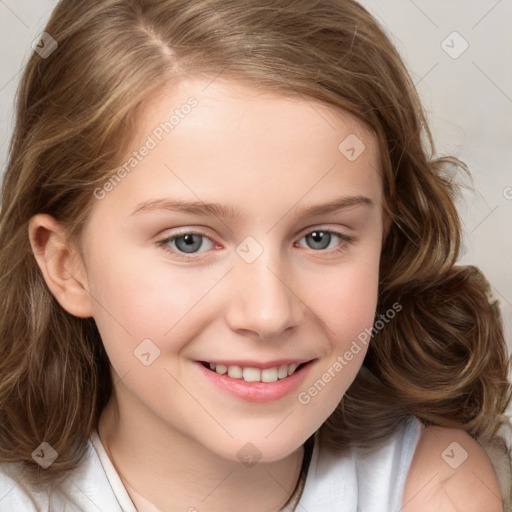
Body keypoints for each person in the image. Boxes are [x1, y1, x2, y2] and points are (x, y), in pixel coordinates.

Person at [0, 0, 511, 510]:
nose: (268, 314)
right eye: (189, 241)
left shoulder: (432, 488)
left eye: (320, 238)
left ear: (386, 238)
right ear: (67, 266)